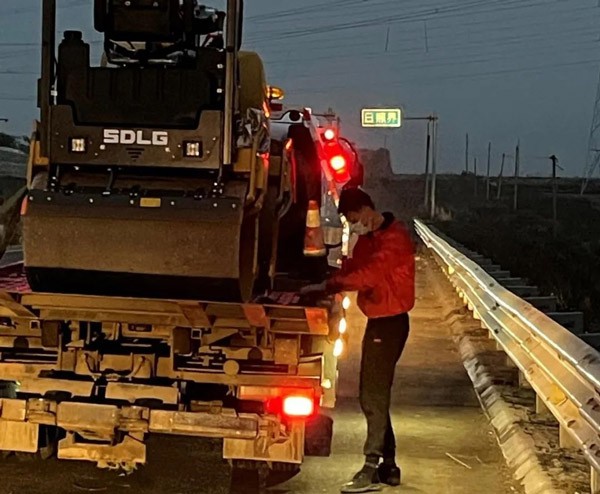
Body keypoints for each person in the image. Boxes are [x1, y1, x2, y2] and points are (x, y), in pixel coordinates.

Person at [302, 187, 415, 493]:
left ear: (367, 210)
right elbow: (354, 267)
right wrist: (325, 273)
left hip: (390, 324)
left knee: (371, 395)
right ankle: (389, 466)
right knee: (376, 394)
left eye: (354, 219)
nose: (355, 225)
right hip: (380, 322)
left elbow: (369, 275)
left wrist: (331, 285)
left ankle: (370, 465)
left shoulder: (394, 238)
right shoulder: (369, 240)